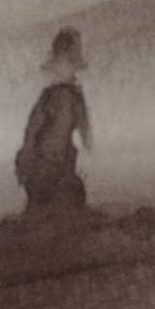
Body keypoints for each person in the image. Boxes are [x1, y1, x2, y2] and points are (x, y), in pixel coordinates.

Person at [15, 27, 93, 212]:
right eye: (59, 63)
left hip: (58, 163)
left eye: (67, 63)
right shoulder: (50, 97)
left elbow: (84, 130)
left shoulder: (72, 96)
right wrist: (27, 158)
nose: (61, 69)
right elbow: (32, 130)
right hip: (44, 165)